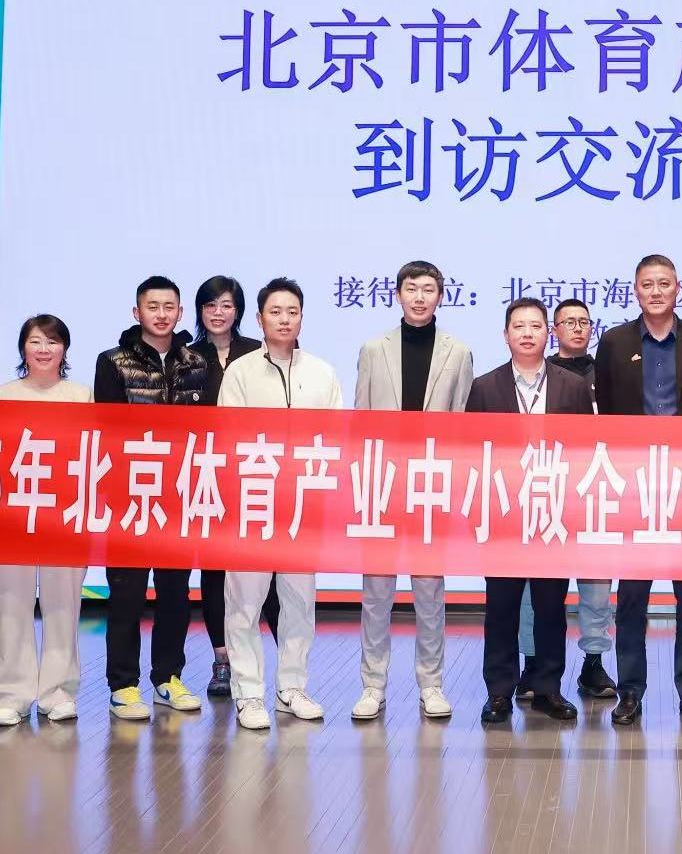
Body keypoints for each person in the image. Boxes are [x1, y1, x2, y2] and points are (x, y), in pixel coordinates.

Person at [593, 254, 682, 727]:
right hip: (634, 486)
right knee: (632, 596)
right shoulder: (614, 342)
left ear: (677, 288)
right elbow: (607, 413)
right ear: (635, 289)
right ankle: (630, 690)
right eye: (647, 284)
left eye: (664, 283)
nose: (655, 291)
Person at [351, 260, 473, 721]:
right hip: (383, 484)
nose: (419, 297)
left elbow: (461, 426)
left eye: (428, 289)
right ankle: (372, 685)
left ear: (441, 296)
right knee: (376, 591)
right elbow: (360, 420)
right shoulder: (372, 349)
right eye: (411, 288)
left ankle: (431, 684)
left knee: (429, 590)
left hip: (431, 486)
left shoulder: (458, 352)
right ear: (398, 294)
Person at [217, 278, 340, 729]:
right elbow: (228, 438)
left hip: (303, 507)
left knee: (299, 603)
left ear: (302, 317)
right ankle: (249, 693)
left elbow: (335, 440)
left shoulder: (322, 373)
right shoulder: (240, 372)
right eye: (275, 312)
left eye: (292, 312)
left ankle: (292, 688)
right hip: (252, 504)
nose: (284, 320)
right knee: (244, 604)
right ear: (259, 318)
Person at [93, 276, 211, 720]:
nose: (161, 314)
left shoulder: (197, 363)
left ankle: (167, 677)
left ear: (180, 313)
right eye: (152, 306)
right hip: (130, 495)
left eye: (169, 307)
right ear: (137, 312)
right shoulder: (113, 361)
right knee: (126, 593)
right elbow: (106, 431)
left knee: (175, 592)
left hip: (180, 494)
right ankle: (123, 685)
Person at [474, 298, 592, 725]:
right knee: (501, 606)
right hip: (504, 514)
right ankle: (499, 691)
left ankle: (547, 688)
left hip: (553, 510)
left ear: (548, 333)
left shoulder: (572, 387)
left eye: (535, 326)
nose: (527, 333)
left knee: (551, 606)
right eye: (519, 326)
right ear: (505, 335)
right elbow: (473, 453)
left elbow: (584, 450)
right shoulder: (484, 387)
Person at [0, 314, 93, 726]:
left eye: (52, 341)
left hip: (63, 515)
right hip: (11, 515)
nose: (44, 349)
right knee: (10, 604)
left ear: (64, 348)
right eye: (35, 341)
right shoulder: (2, 395)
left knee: (62, 604)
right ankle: (10, 694)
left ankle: (58, 691)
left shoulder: (81, 395)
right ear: (23, 348)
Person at [187, 275, 274, 697]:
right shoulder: (187, 357)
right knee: (214, 567)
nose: (218, 313)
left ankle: (280, 665)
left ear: (239, 311)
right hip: (207, 475)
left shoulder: (258, 354)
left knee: (265, 566)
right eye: (210, 305)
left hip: (257, 473)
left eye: (226, 305)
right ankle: (222, 659)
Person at [533, 297, 616, 701]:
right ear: (555, 330)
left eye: (584, 322)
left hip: (596, 488)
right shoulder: (538, 374)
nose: (578, 328)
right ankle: (533, 664)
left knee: (597, 581)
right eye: (569, 322)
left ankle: (593, 662)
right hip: (548, 488)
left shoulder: (609, 375)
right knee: (537, 584)